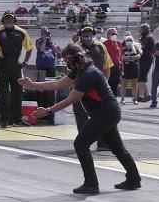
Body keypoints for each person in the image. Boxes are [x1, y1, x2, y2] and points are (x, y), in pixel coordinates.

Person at [19, 44, 142, 194]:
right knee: (117, 148)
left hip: (105, 113)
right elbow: (57, 84)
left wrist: (48, 111)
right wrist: (32, 85)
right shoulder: (80, 71)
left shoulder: (87, 74)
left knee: (80, 144)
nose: (66, 63)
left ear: (74, 59)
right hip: (108, 112)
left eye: (66, 60)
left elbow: (72, 98)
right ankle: (134, 179)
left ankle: (91, 184)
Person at [0, 12, 33, 128]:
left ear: (14, 20)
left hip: (16, 64)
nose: (9, 20)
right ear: (3, 20)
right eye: (6, 19)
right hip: (3, 64)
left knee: (18, 93)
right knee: (3, 93)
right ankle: (4, 119)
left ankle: (18, 119)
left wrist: (25, 61)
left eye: (11, 18)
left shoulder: (22, 32)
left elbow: (29, 47)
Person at [75, 24, 114, 151]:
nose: (87, 35)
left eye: (89, 33)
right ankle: (83, 143)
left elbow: (107, 66)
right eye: (85, 33)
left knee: (101, 116)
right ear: (80, 34)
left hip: (98, 88)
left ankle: (103, 143)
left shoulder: (100, 46)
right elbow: (69, 69)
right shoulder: (75, 48)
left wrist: (105, 83)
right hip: (81, 87)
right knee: (81, 116)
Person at [121, 35, 141, 105]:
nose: (129, 42)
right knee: (124, 85)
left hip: (134, 68)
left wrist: (129, 57)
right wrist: (132, 58)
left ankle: (135, 99)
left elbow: (138, 56)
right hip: (125, 68)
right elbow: (122, 57)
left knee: (134, 85)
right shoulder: (123, 49)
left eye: (130, 40)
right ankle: (122, 99)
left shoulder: (136, 48)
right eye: (127, 40)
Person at [137, 23, 155, 102]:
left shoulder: (148, 38)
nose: (139, 31)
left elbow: (141, 47)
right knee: (140, 77)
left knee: (143, 76)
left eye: (141, 29)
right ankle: (140, 95)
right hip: (143, 59)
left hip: (146, 59)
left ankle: (147, 94)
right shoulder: (145, 37)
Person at [103, 28, 122, 97]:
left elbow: (121, 56)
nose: (115, 35)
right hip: (108, 67)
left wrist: (122, 68)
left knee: (115, 84)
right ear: (108, 35)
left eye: (116, 34)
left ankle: (114, 99)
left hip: (117, 67)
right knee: (108, 84)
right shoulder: (104, 44)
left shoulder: (119, 43)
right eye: (113, 34)